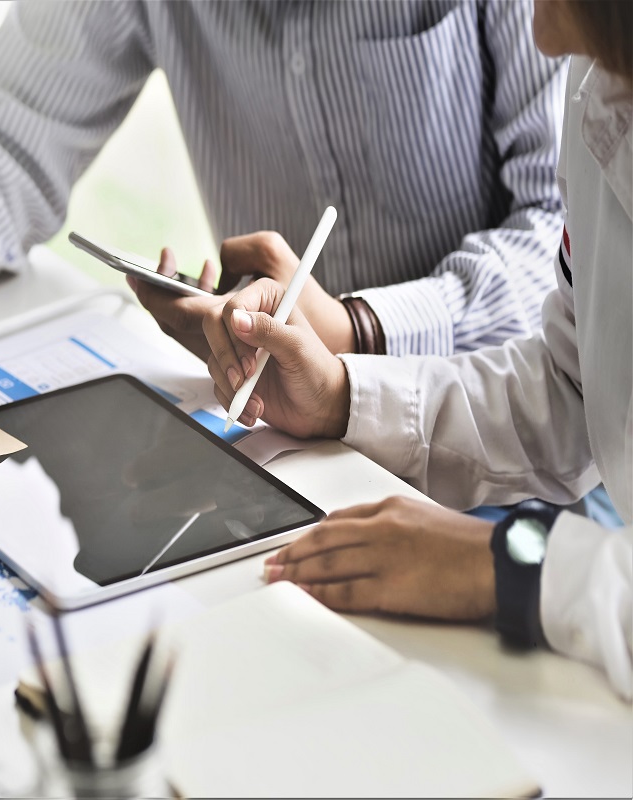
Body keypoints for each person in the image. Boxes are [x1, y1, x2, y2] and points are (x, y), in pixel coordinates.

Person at [146, 0, 631, 699]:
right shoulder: (602, 85)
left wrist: (504, 564)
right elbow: (571, 389)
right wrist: (344, 394)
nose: (541, 36)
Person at [0, 1, 566, 444]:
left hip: (513, 440)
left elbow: (570, 236)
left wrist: (361, 333)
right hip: (283, 439)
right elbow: (10, 134)